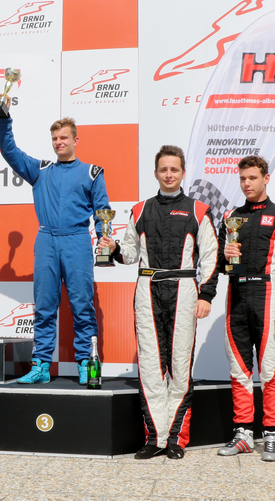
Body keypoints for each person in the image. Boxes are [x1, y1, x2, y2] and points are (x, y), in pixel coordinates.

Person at [97, 145, 219, 460]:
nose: (168, 174)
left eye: (174, 169)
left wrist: (206, 294)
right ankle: (155, 438)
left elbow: (211, 256)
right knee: (151, 369)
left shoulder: (198, 210)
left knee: (179, 368)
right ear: (155, 173)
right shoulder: (140, 210)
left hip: (184, 289)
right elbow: (129, 255)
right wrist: (113, 248)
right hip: (147, 289)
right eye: (163, 169)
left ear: (182, 173)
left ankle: (176, 438)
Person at [0, 97, 110, 385]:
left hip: (77, 240)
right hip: (46, 239)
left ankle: (86, 364)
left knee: (82, 305)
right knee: (44, 306)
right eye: (55, 138)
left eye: (63, 138)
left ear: (75, 140)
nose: (59, 142)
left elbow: (102, 211)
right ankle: (41, 366)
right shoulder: (40, 170)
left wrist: (104, 240)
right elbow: (9, 151)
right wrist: (4, 119)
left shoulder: (92, 172)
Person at [216, 155, 275, 462]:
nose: (246, 183)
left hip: (268, 293)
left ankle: (271, 435)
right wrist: (225, 256)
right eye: (242, 178)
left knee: (269, 368)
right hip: (236, 294)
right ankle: (243, 434)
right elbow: (220, 266)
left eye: (252, 178)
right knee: (238, 369)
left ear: (266, 178)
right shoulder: (230, 217)